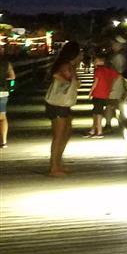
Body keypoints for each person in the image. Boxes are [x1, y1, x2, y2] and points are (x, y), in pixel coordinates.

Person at [44, 41, 82, 175]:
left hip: (62, 104)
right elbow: (56, 75)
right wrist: (68, 82)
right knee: (59, 136)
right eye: (79, 53)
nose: (81, 55)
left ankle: (58, 164)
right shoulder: (66, 65)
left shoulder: (69, 65)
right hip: (58, 104)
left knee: (66, 132)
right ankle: (54, 167)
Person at [89, 50, 116, 137]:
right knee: (98, 111)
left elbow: (95, 82)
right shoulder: (109, 70)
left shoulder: (98, 70)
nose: (94, 63)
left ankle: (99, 131)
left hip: (97, 93)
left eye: (95, 61)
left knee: (97, 112)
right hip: (105, 93)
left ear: (100, 61)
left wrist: (90, 92)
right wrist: (110, 87)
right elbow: (116, 76)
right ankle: (94, 130)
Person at [0, 60, 15, 148]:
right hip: (3, 92)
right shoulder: (6, 63)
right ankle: (3, 141)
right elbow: (12, 77)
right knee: (2, 117)